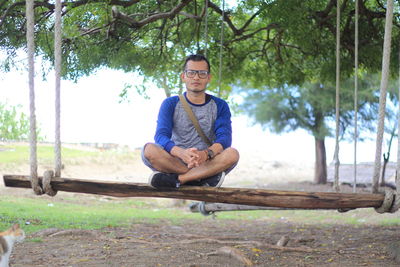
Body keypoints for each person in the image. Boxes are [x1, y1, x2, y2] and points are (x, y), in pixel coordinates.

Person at [142, 54, 239, 189]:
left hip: (206, 162)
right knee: (149, 150)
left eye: (202, 73)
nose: (196, 77)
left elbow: (225, 138)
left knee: (232, 154)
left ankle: (180, 179)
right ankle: (200, 178)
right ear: (183, 77)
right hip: (175, 161)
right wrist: (181, 153)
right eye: (191, 72)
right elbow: (161, 136)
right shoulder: (170, 103)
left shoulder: (220, 105)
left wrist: (205, 154)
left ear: (209, 78)